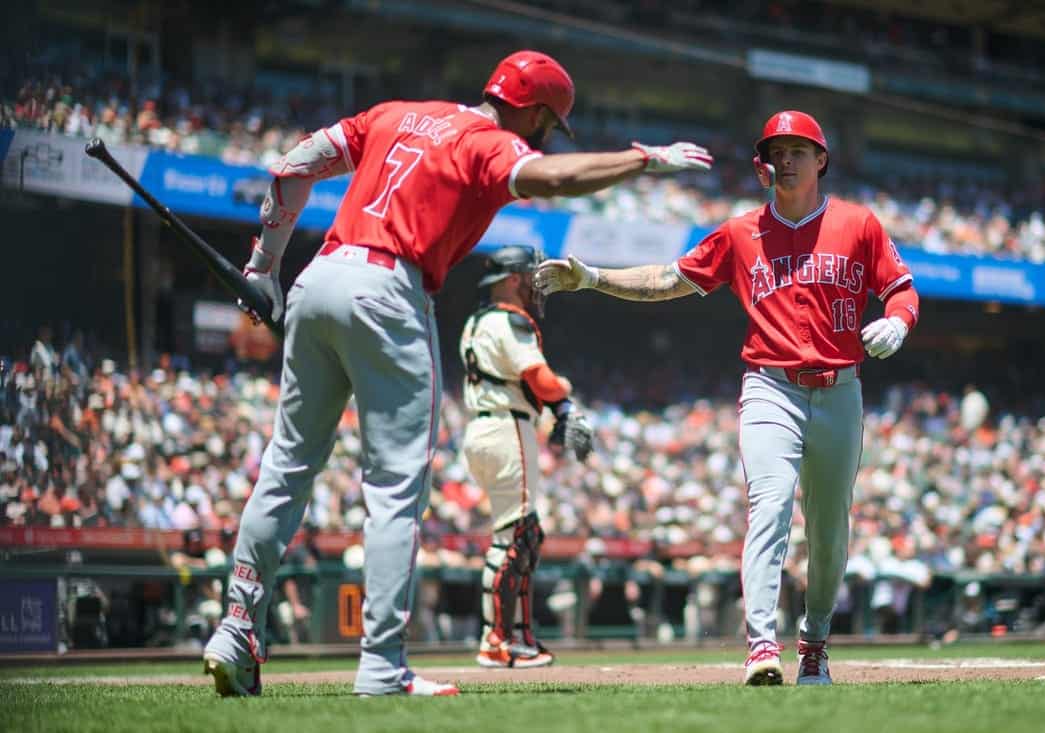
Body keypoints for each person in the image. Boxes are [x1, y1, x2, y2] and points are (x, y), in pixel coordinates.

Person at [202, 49, 712, 698]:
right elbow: (555, 179)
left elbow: (292, 167)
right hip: (389, 288)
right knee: (392, 488)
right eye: (549, 126)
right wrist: (644, 158)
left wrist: (262, 268)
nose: (545, 137)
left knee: (287, 466)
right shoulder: (490, 144)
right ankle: (382, 666)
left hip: (318, 277)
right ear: (531, 112)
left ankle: (237, 628)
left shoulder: (396, 113)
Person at [535, 110, 919, 686]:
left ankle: (813, 644)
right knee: (769, 506)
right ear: (765, 164)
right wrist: (593, 277)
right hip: (770, 388)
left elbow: (902, 290)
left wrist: (899, 323)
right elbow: (670, 279)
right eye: (776, 150)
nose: (785, 159)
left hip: (840, 390)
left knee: (830, 530)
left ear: (821, 161)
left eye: (797, 149)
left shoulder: (858, 224)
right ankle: (762, 645)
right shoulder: (740, 233)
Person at [459, 245, 592, 669]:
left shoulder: (476, 322)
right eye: (528, 276)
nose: (535, 285)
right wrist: (566, 399)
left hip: (486, 426)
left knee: (525, 536)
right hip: (506, 428)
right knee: (515, 538)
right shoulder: (510, 320)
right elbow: (540, 378)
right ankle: (495, 640)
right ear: (513, 279)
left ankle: (516, 638)